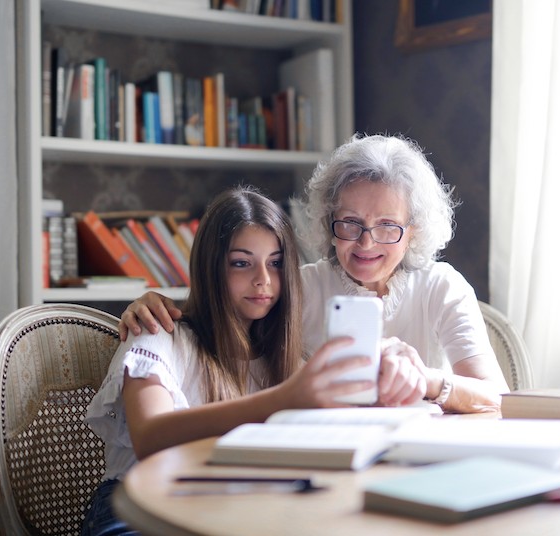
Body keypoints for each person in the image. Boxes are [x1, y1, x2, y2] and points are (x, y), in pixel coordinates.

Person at [120, 134, 509, 413]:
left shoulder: (442, 286)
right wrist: (153, 304)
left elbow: (496, 397)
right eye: (350, 223)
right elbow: (223, 315)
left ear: (414, 231)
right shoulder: (298, 286)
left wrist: (426, 380)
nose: (366, 243)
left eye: (388, 226)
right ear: (328, 221)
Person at [81, 186, 386, 536]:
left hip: (229, 505)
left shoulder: (285, 359)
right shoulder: (157, 332)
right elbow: (150, 437)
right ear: (211, 268)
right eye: (241, 263)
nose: (263, 280)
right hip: (136, 510)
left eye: (275, 263)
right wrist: (285, 399)